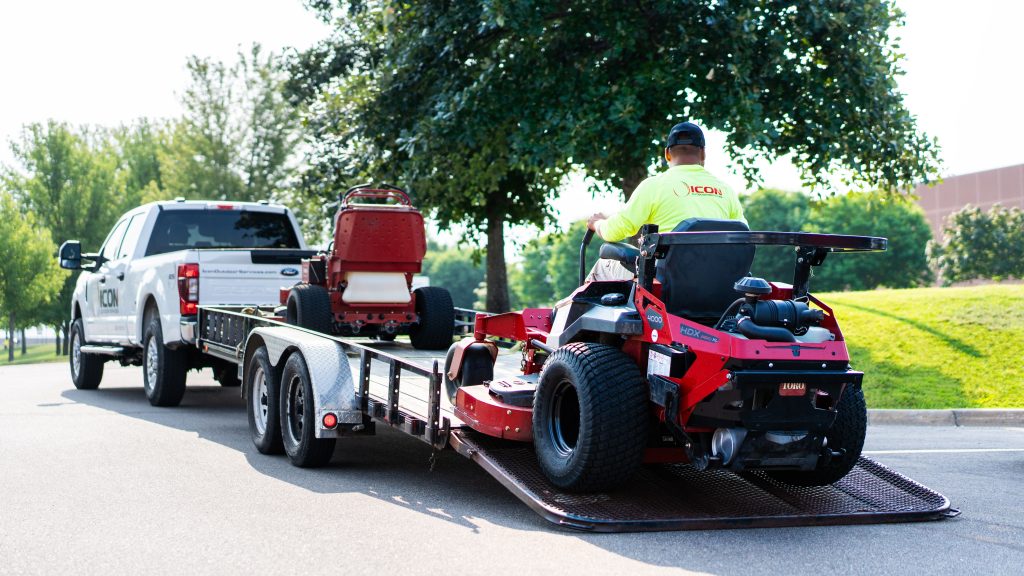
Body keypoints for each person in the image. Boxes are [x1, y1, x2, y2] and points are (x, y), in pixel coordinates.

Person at [585, 121, 746, 280]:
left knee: (603, 265)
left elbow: (616, 230)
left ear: (667, 154)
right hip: (717, 278)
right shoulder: (726, 191)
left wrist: (597, 223)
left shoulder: (654, 186)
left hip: (667, 280)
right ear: (703, 153)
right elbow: (744, 237)